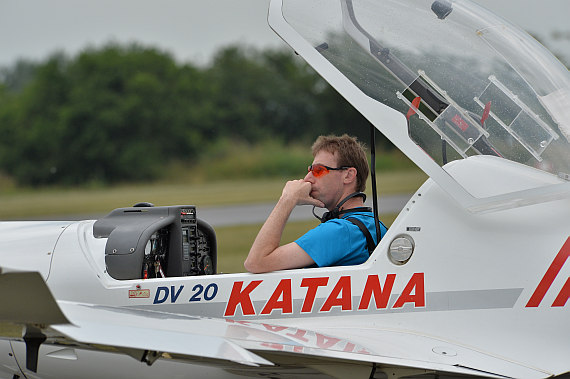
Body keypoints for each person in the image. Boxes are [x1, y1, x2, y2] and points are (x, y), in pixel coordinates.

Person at [244, 134, 387, 273]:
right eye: (310, 170)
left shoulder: (338, 231)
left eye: (318, 170)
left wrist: (287, 199)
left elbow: (256, 262)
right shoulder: (377, 226)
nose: (307, 178)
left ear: (348, 175)